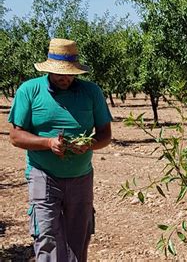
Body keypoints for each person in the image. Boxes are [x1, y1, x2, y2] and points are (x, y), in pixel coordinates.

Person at [8, 38, 112, 261]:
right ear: (49, 69)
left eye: (70, 73)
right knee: (47, 237)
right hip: (43, 175)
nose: (65, 78)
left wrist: (89, 144)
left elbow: (105, 134)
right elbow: (15, 136)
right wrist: (48, 143)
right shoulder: (30, 90)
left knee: (79, 238)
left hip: (81, 177)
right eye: (59, 74)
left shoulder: (91, 92)